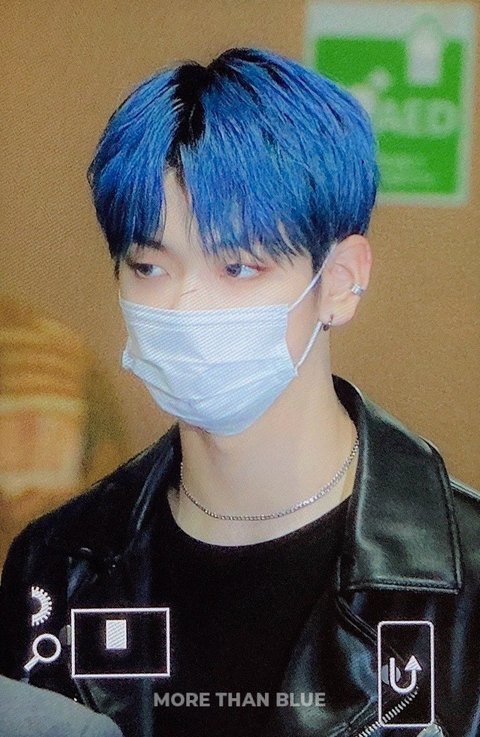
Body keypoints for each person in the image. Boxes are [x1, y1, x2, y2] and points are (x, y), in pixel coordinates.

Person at [0, 46, 478, 737]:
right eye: (150, 266)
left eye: (239, 267)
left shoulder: (461, 579)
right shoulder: (58, 569)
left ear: (340, 280)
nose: (186, 305)